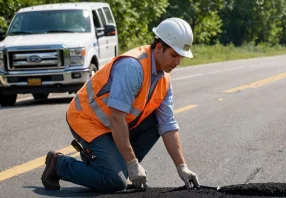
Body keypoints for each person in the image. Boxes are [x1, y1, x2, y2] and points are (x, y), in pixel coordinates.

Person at [41, 17, 200, 193]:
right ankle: (58, 164)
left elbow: (167, 125)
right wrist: (132, 164)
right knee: (115, 181)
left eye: (181, 57)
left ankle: (111, 164)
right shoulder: (132, 67)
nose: (178, 62)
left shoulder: (164, 79)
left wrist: (181, 166)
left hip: (113, 125)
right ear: (159, 48)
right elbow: (116, 118)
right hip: (86, 120)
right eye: (174, 55)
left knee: (155, 124)